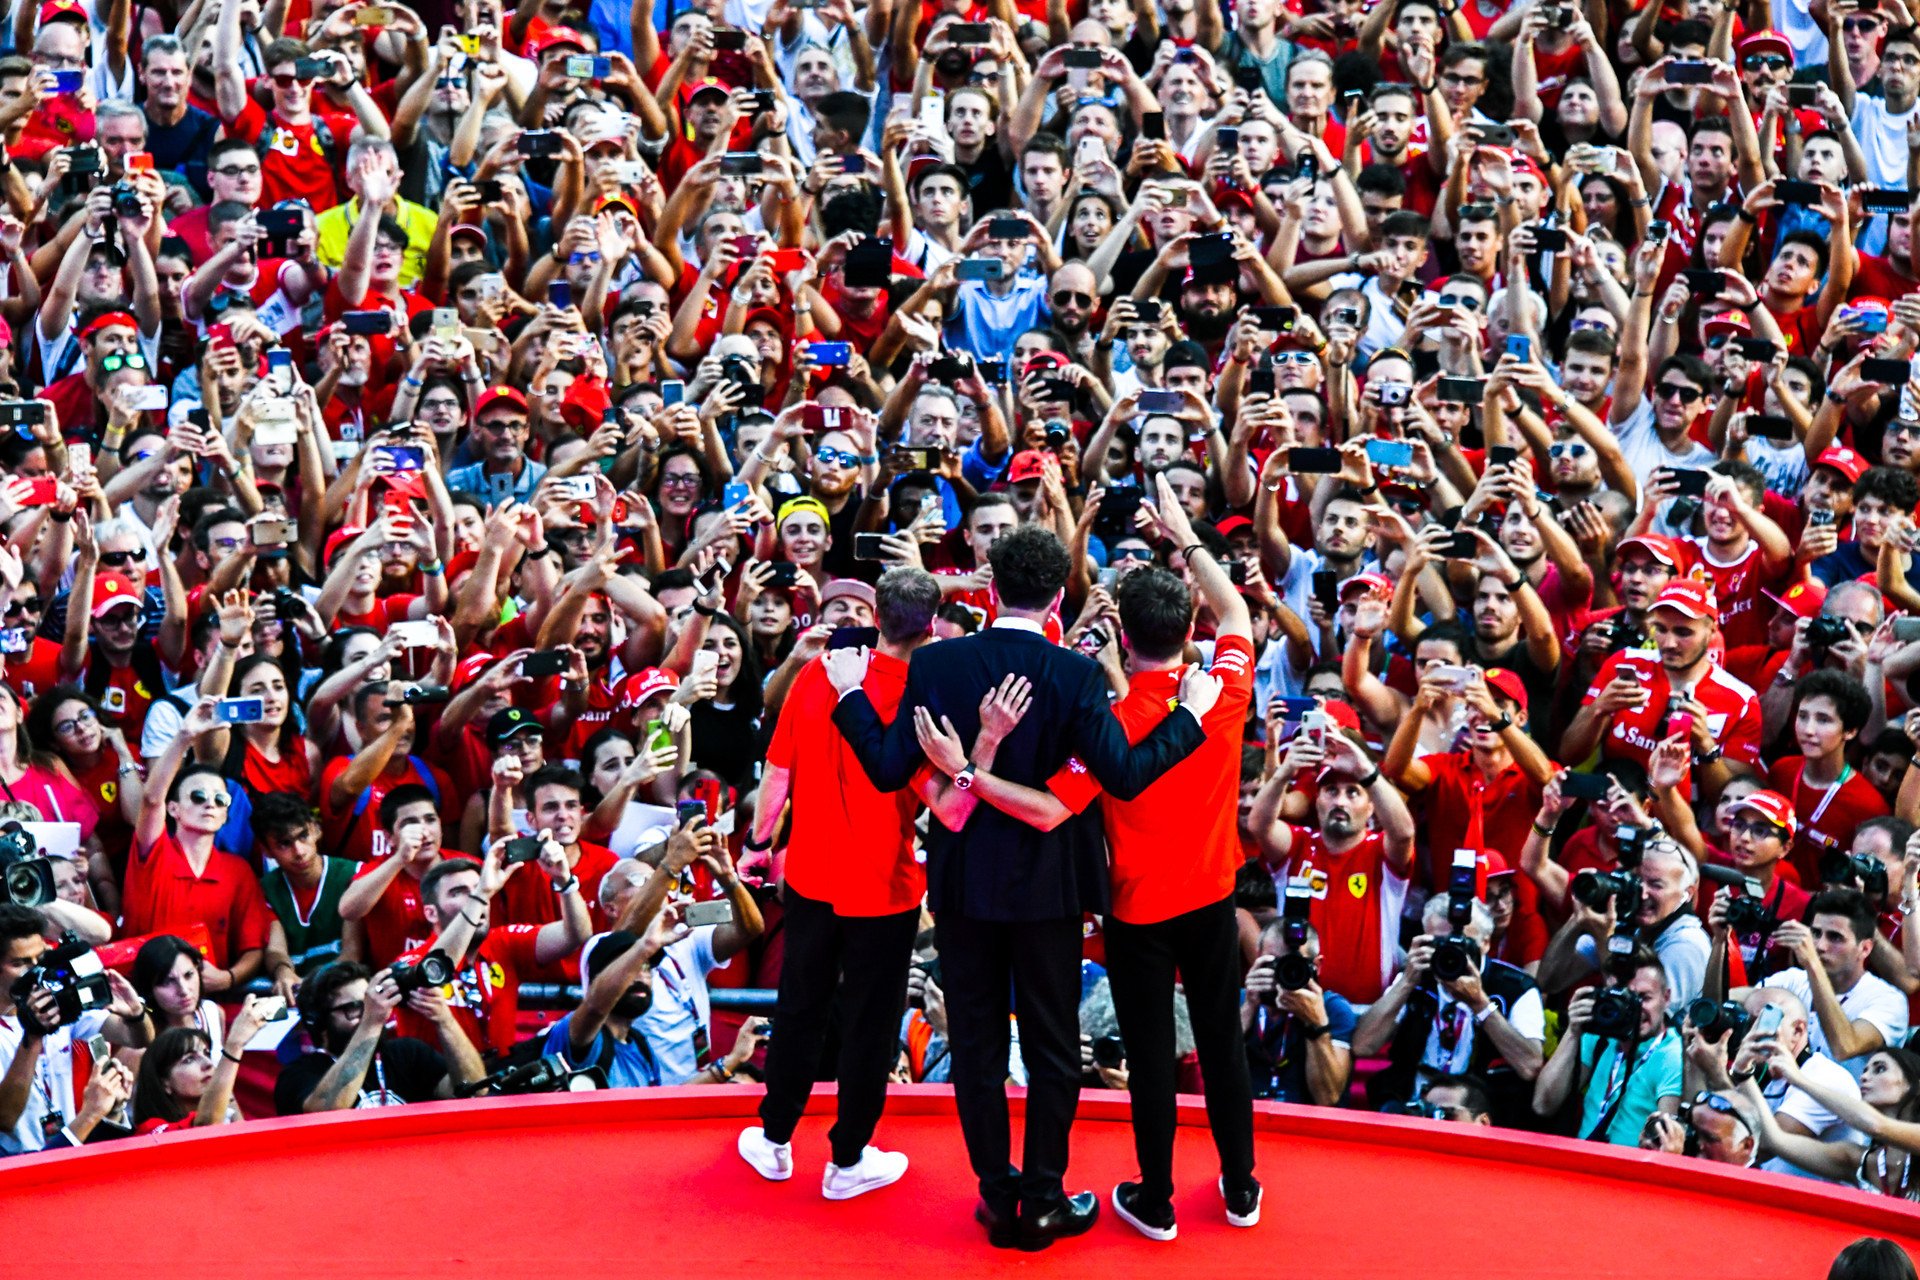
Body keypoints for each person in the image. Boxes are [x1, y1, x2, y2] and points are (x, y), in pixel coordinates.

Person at [827, 523, 1221, 1250]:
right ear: (1057, 598)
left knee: (976, 1044)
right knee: (1051, 1046)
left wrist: (850, 695)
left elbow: (886, 771)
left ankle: (996, 1192)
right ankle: (1041, 1198)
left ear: (991, 590)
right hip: (1049, 890)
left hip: (963, 885)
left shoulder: (939, 663)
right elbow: (1124, 775)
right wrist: (1191, 714)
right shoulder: (1075, 675)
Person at [904, 476, 1261, 1239]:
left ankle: (1136, 1199)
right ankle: (1235, 1189)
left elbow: (1049, 803)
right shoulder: (1217, 686)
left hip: (1118, 907)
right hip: (1190, 896)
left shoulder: (1107, 715)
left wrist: (968, 770)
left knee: (1125, 1057)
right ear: (1188, 627)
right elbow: (1235, 612)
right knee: (1205, 1044)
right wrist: (1184, 540)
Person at [740, 568, 944, 1199]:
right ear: (930, 628)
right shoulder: (927, 696)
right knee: (871, 1025)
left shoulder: (816, 674)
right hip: (885, 888)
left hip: (811, 878)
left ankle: (775, 1140)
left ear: (876, 617)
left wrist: (758, 843)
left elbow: (777, 770)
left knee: (799, 1009)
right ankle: (848, 1159)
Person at [274, 961, 485, 1114]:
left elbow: (476, 1091)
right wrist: (370, 1022)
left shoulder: (408, 1053)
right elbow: (328, 1112)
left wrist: (444, 1020)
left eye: (369, 1002)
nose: (370, 1011)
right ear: (319, 1021)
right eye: (354, 1007)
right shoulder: (298, 1075)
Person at [1531, 948, 1685, 1145]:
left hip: (1628, 1163)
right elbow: (1543, 1104)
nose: (1634, 1008)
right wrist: (1572, 1032)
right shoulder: (1600, 1038)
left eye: (1644, 998)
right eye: (1625, 999)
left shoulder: (1671, 1055)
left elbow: (1665, 1143)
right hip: (1582, 1157)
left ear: (1666, 998)